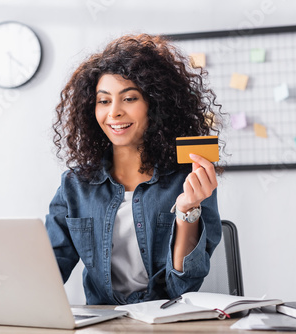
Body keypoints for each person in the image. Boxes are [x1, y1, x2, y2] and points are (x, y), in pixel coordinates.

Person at [46, 33, 223, 305]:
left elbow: (183, 285)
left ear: (155, 104)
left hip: (165, 321)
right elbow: (47, 271)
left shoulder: (188, 180)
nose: (114, 112)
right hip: (103, 324)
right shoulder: (75, 186)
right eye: (104, 101)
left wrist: (187, 210)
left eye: (129, 99)